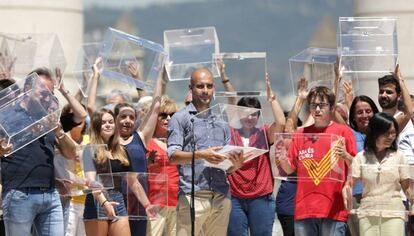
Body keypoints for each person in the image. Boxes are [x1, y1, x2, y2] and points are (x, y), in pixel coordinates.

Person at [167, 67, 244, 236]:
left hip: (221, 195)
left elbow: (227, 167)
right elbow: (172, 156)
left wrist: (235, 166)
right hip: (192, 195)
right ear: (191, 89)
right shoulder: (180, 118)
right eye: (200, 86)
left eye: (209, 86)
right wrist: (201, 154)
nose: (205, 91)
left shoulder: (221, 122)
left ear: (214, 88)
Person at [0, 68, 77, 236]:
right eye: (43, 93)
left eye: (50, 94)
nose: (47, 97)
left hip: (50, 195)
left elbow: (72, 154)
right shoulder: (6, 116)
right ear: (27, 89)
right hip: (19, 194)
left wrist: (59, 133)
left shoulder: (49, 119)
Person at [278, 86, 357, 236]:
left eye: (322, 105)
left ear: (332, 107)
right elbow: (289, 170)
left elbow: (357, 166)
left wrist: (346, 155)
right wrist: (282, 159)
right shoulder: (301, 134)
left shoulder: (343, 132)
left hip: (334, 208)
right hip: (304, 208)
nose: (317, 109)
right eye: (313, 105)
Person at [226, 76, 285, 236]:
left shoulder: (264, 133)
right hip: (234, 197)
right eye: (245, 113)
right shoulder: (230, 133)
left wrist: (272, 98)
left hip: (261, 197)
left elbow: (281, 122)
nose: (249, 118)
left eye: (254, 114)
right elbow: (230, 99)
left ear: (258, 116)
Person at [343, 112, 411, 236]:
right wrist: (346, 192)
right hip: (368, 214)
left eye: (393, 133)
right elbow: (349, 183)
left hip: (394, 213)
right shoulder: (360, 157)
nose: (391, 136)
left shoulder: (399, 157)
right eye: (387, 133)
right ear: (375, 132)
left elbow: (407, 187)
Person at [146, 95, 180, 236]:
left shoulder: (179, 141)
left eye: (172, 115)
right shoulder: (147, 141)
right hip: (154, 202)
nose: (168, 119)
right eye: (163, 115)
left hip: (177, 202)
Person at [346, 95, 379, 236]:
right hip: (357, 196)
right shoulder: (349, 134)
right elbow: (333, 110)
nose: (365, 115)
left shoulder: (385, 134)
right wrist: (336, 82)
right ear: (353, 117)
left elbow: (407, 113)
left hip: (381, 196)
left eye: (368, 111)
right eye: (359, 112)